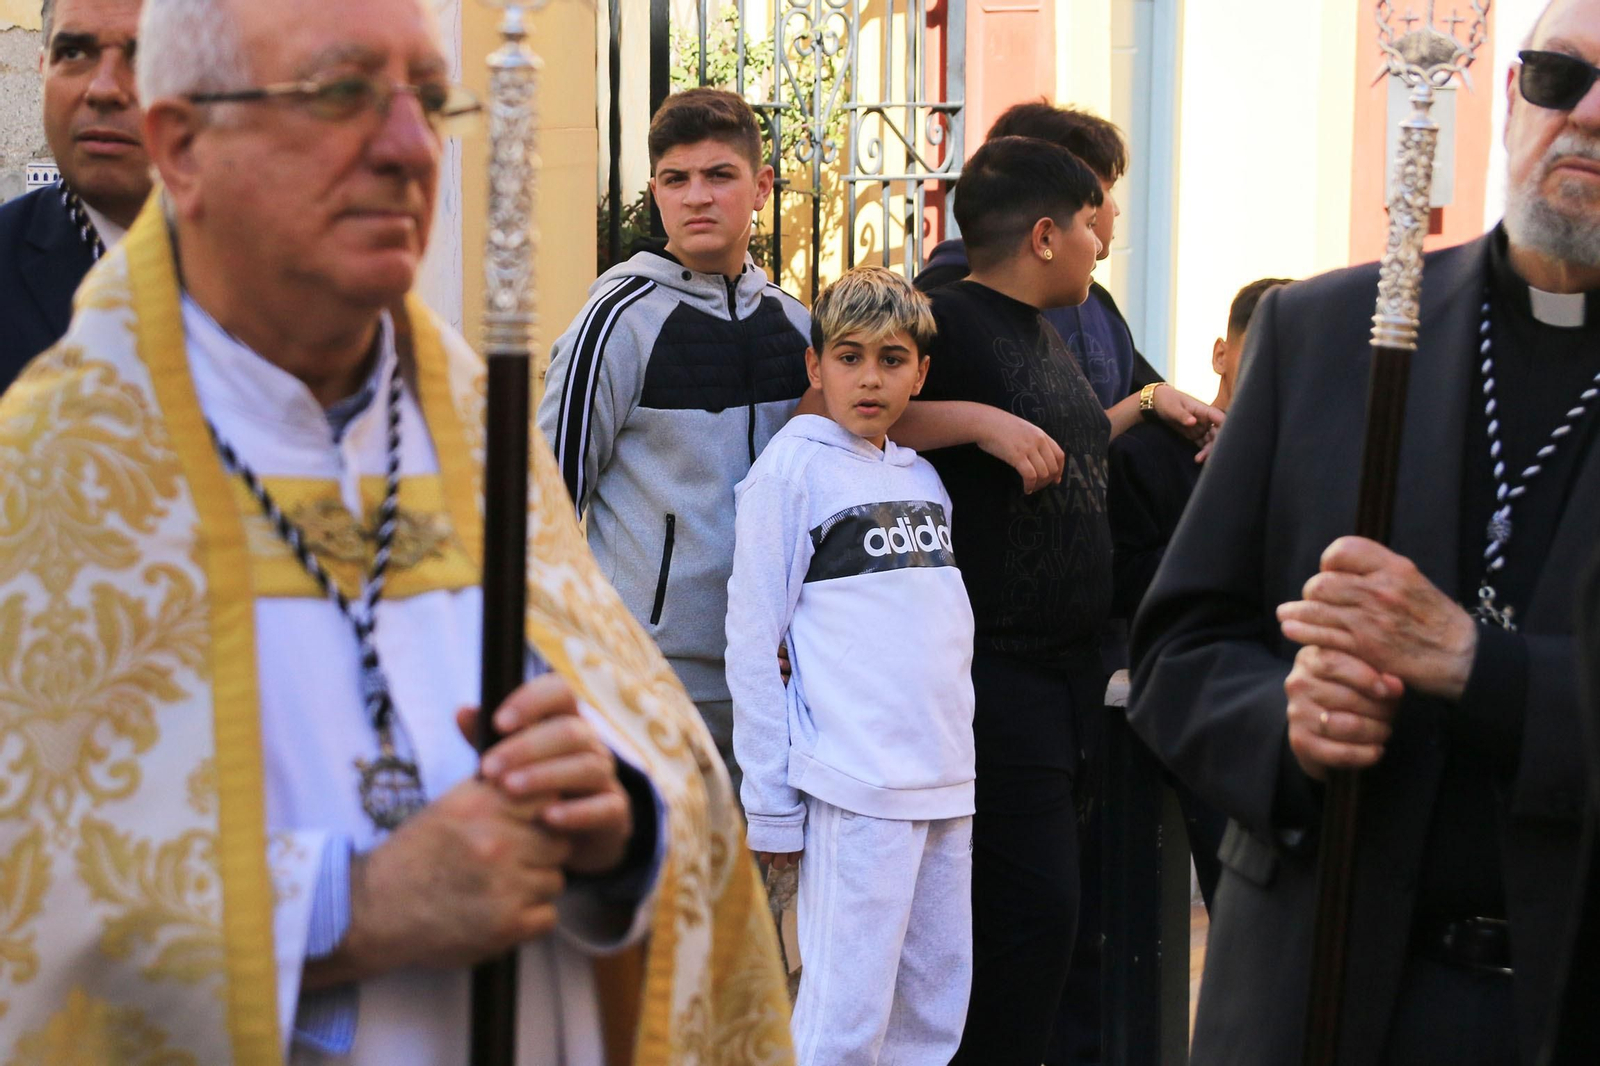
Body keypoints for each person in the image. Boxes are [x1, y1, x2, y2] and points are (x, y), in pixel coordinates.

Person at [0, 0, 793, 1061]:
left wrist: (616, 829)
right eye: (342, 96)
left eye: (426, 99)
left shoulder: (470, 433)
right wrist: (348, 904)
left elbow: (657, 764)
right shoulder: (50, 471)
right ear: (183, 146)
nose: (411, 148)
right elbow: (30, 890)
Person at [1129, 0, 1600, 1061]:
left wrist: (1483, 667)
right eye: (1557, 77)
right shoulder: (1324, 332)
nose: (1586, 115)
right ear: (1512, 100)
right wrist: (1286, 722)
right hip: (1316, 994)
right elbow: (1179, 650)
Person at [541, 88, 1073, 792]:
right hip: (652, 685)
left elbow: (868, 425)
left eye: (719, 175)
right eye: (676, 179)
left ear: (762, 186)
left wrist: (984, 423)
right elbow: (542, 505)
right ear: (656, 191)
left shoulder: (797, 326)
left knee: (771, 867)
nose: (696, 196)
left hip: (788, 685)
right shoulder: (614, 323)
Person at [726, 266, 976, 1064]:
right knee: (843, 1022)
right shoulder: (790, 472)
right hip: (855, 785)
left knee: (932, 1015)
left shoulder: (924, 479)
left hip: (944, 782)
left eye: (892, 359)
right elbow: (752, 639)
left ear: (920, 373)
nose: (870, 378)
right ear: (816, 366)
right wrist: (770, 804)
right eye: (849, 356)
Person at [900, 134, 1101, 1064]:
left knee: (1048, 924)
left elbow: (1059, 447)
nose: (1101, 245)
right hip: (996, 678)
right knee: (1028, 918)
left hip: (1065, 681)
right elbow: (836, 411)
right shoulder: (946, 319)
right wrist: (977, 421)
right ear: (1047, 236)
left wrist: (1155, 407)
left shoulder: (1044, 329)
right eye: (1091, 225)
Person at [917, 101, 1210, 434]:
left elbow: (1080, 437)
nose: (1114, 210)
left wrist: (1151, 402)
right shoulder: (948, 301)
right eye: (1103, 191)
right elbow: (885, 415)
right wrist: (983, 424)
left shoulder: (1089, 304)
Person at [0, 0, 151, 390]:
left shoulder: (272, 271)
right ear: (42, 69)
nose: (104, 89)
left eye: (144, 55)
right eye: (72, 53)